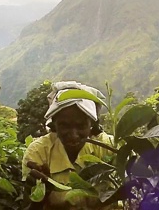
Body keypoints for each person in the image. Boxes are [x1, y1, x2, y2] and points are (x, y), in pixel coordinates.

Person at [22, 81, 114, 209]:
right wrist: (39, 194)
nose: (73, 134)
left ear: (92, 125)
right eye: (64, 125)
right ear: (54, 124)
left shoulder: (109, 147)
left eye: (81, 126)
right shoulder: (38, 153)